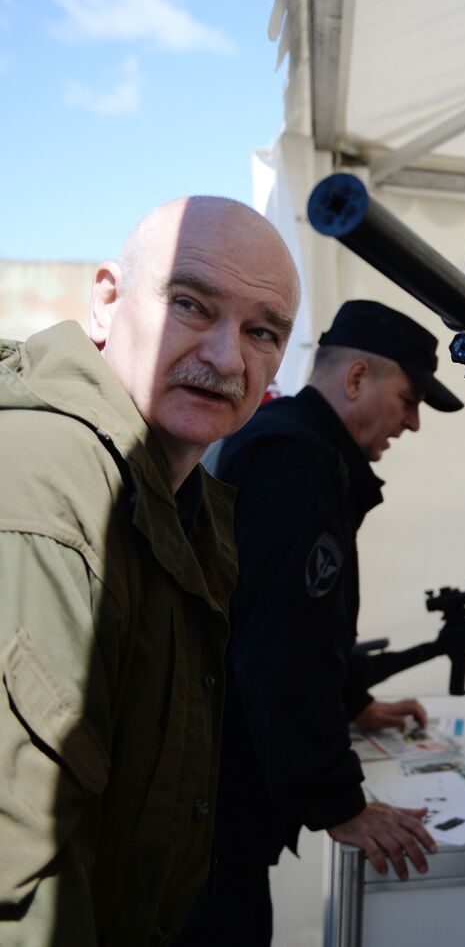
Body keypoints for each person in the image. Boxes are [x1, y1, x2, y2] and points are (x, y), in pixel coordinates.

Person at [0, 197, 300, 944]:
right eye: (192, 305)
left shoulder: (177, 501)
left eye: (263, 331)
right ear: (106, 301)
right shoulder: (51, 497)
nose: (230, 359)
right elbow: (21, 888)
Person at [176, 300, 464, 946]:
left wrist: (353, 702)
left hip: (208, 800)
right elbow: (280, 649)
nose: (413, 423)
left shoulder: (285, 441)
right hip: (210, 819)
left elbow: (278, 611)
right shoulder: (298, 465)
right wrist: (342, 806)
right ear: (356, 378)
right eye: (409, 398)